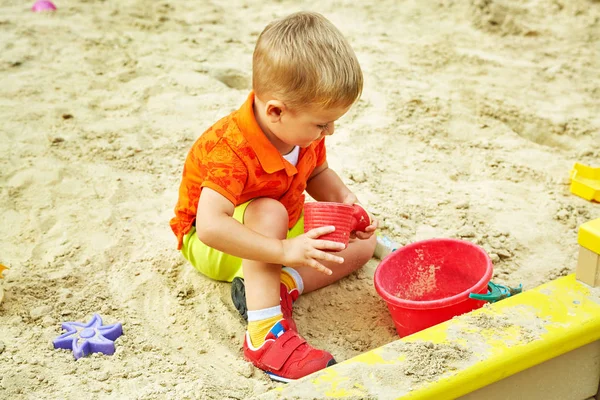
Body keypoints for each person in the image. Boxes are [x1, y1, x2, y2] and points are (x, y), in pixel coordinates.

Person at [170, 11, 377, 382]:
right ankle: (264, 334)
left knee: (363, 242)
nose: (329, 130)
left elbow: (317, 173)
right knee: (268, 210)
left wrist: (345, 200)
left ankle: (279, 287)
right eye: (321, 123)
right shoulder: (230, 148)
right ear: (275, 111)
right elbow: (210, 228)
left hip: (279, 224)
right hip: (218, 244)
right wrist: (283, 252)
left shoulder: (303, 132)